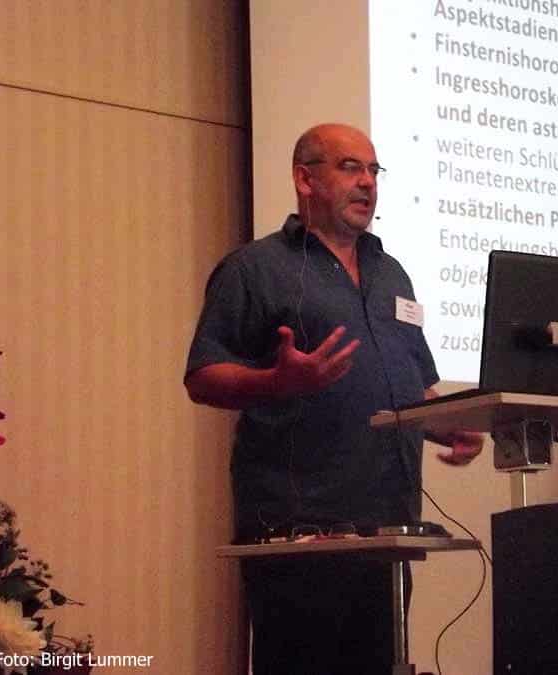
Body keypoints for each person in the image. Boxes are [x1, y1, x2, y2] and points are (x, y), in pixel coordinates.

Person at [184, 123, 484, 674]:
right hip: (298, 535)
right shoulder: (255, 268)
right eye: (350, 167)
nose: (367, 182)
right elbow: (202, 377)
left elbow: (413, 386)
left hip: (387, 534)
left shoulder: (392, 274)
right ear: (305, 179)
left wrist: (447, 421)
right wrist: (277, 382)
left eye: (373, 170)